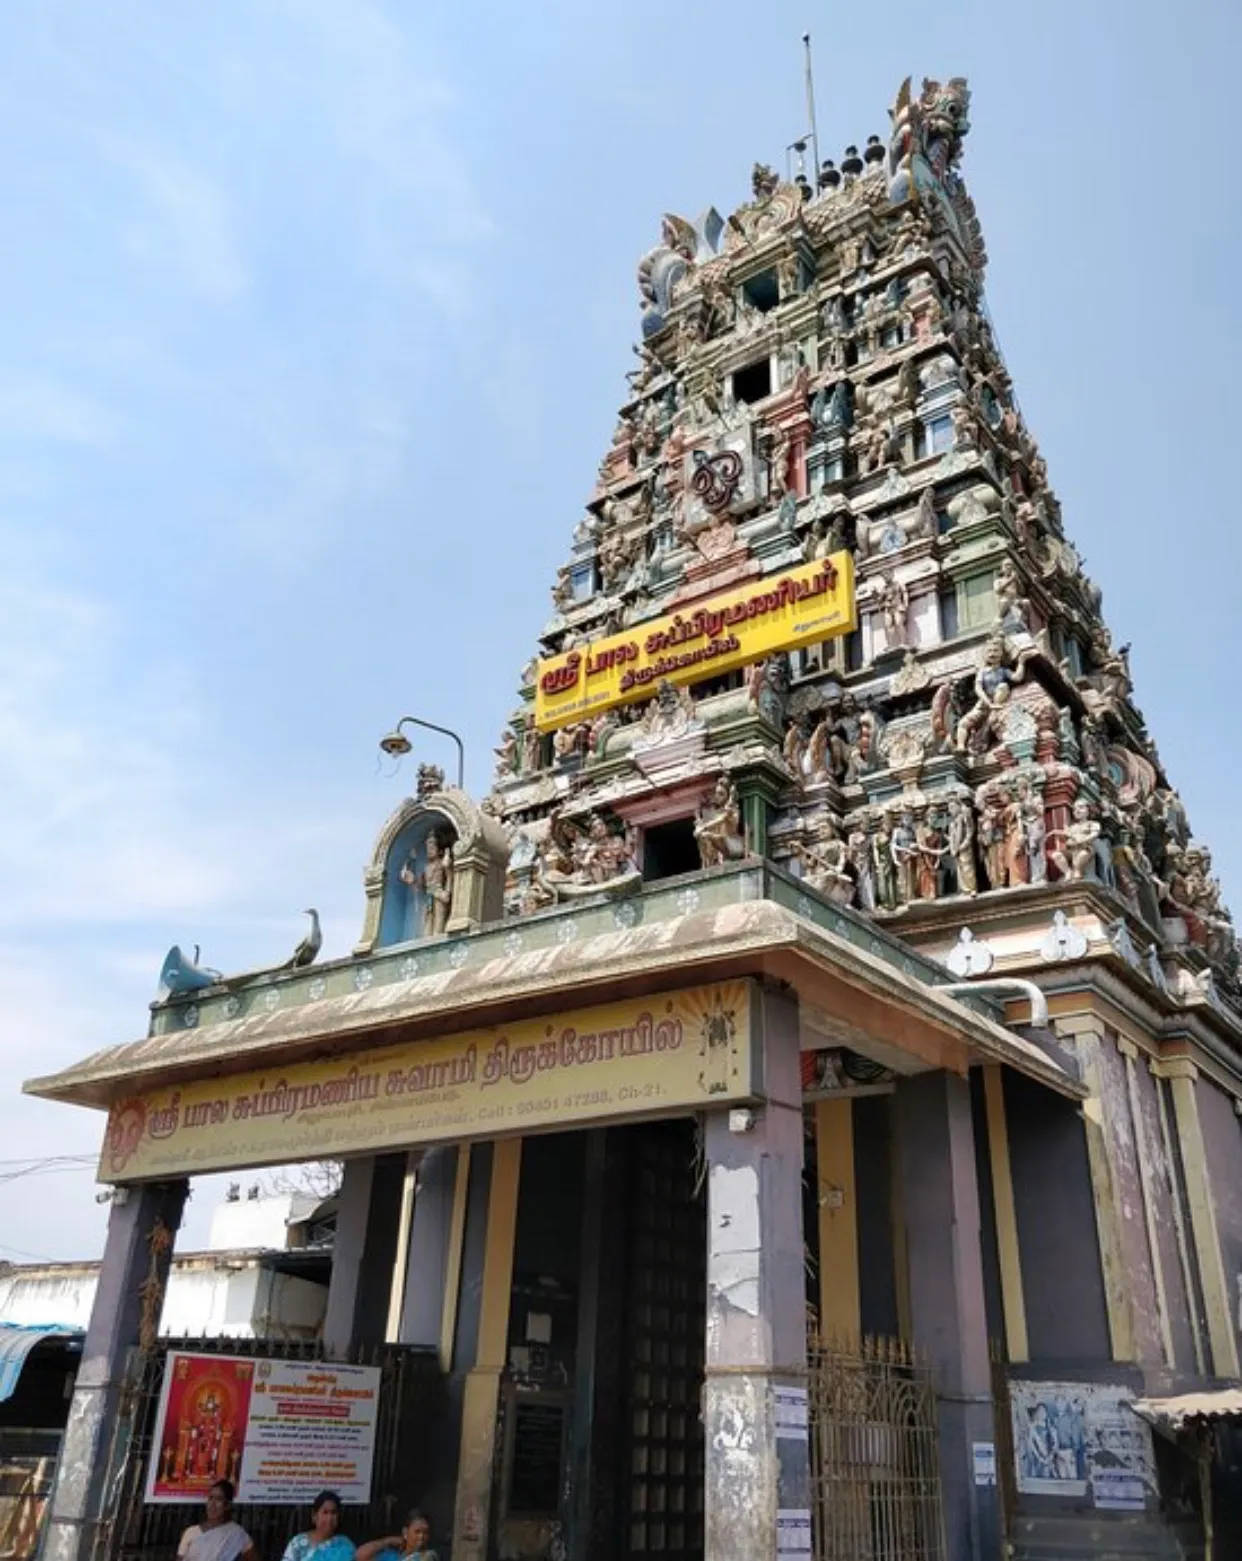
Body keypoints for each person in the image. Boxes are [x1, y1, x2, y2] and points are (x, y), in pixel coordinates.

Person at [177, 1481, 258, 1561]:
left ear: (228, 1505)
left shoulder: (237, 1533)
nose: (212, 1504)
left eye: (219, 1499)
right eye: (210, 1498)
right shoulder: (191, 1532)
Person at [281, 1491, 355, 1561]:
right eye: (325, 1512)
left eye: (333, 1512)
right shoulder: (298, 1543)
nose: (329, 1518)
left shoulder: (345, 1544)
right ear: (314, 1516)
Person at [357, 1509, 438, 1561]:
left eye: (425, 1532)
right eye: (417, 1532)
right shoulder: (391, 1556)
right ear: (405, 1532)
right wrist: (388, 1541)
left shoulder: (429, 1557)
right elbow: (360, 1556)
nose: (421, 1536)